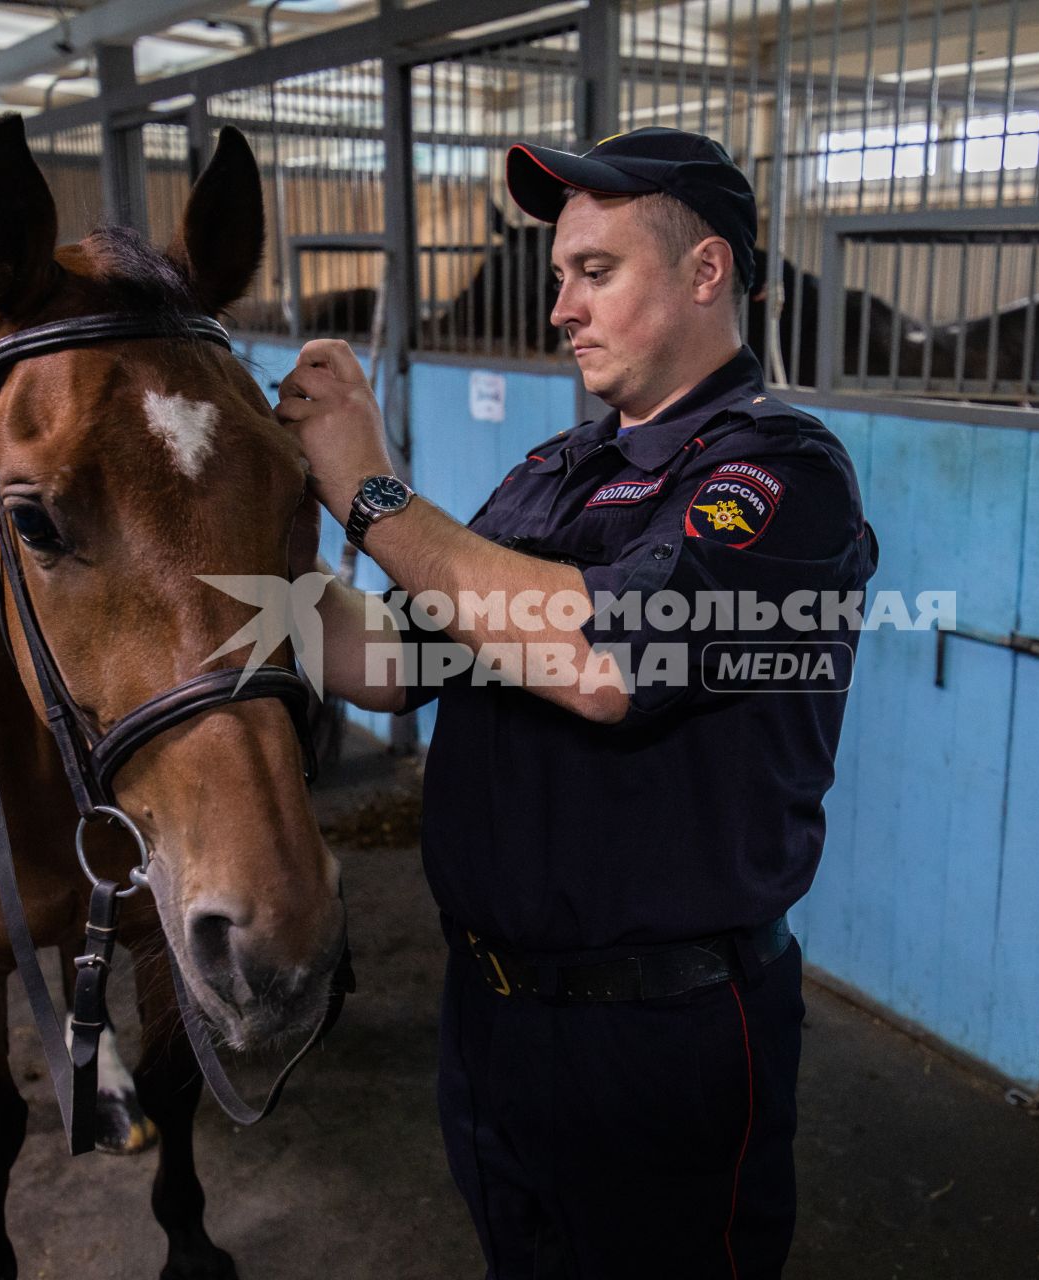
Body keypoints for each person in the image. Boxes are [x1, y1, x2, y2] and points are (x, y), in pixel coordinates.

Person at [275, 126, 877, 1278]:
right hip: (495, 1018)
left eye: (596, 272)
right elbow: (398, 659)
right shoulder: (548, 475)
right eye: (561, 277)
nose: (562, 307)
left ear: (707, 273)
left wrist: (371, 487)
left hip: (662, 1038)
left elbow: (605, 663)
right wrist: (233, 548)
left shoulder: (780, 477)